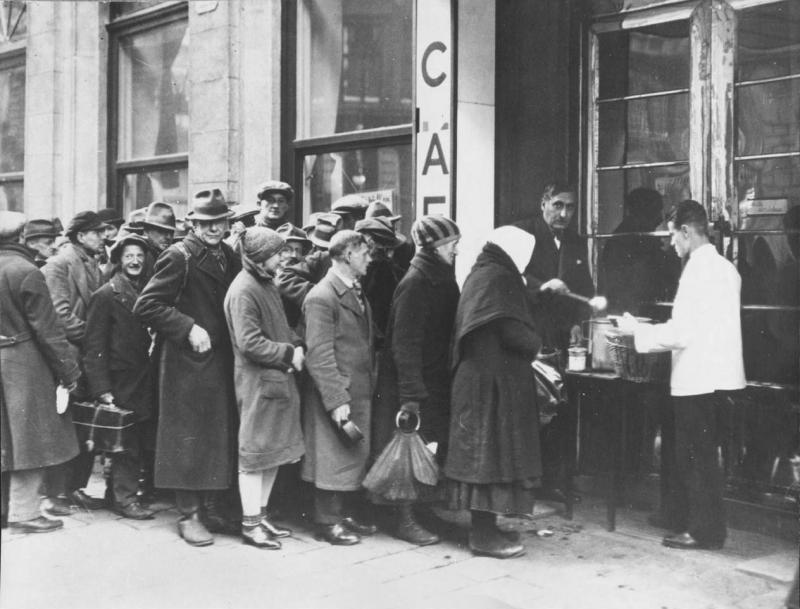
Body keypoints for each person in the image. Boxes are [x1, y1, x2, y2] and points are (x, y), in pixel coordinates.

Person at [617, 200, 745, 550]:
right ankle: (704, 525)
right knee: (706, 457)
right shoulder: (725, 269)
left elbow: (681, 334)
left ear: (687, 232)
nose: (671, 244)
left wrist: (636, 331)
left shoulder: (696, 272)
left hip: (697, 379)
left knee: (695, 459)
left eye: (673, 236)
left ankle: (704, 532)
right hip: (722, 378)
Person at [134, 188, 242, 547]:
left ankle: (210, 508)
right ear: (193, 223)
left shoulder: (228, 254)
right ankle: (189, 514)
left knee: (215, 435)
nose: (214, 228)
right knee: (188, 438)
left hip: (219, 360)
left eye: (220, 221)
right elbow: (147, 305)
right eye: (206, 222)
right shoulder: (178, 256)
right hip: (186, 363)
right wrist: (187, 327)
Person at [445, 225, 542, 559]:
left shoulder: (485, 272)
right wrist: (536, 343)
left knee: (485, 456)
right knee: (488, 458)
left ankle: (485, 528)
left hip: (480, 381)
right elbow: (510, 328)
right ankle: (483, 536)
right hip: (489, 386)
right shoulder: (499, 278)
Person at [372, 215, 461, 546]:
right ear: (433, 247)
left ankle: (423, 510)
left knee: (428, 449)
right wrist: (410, 397)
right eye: (451, 244)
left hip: (432, 381)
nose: (456, 250)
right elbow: (404, 345)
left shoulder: (439, 277)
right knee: (407, 452)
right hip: (411, 387)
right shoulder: (416, 282)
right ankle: (403, 518)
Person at [514, 181, 598, 503]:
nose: (564, 213)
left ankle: (555, 480)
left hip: (562, 338)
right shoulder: (523, 233)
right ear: (544, 202)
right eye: (558, 205)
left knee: (561, 407)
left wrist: (579, 321)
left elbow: (584, 287)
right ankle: (528, 482)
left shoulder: (575, 242)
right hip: (530, 335)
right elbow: (508, 275)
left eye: (571, 207)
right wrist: (542, 286)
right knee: (534, 408)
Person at [224, 227, 306, 549]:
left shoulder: (263, 282)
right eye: (277, 253)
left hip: (274, 380)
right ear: (260, 258)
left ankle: (260, 515)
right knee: (255, 455)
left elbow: (280, 328)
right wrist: (289, 353)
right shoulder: (245, 289)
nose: (283, 258)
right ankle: (250, 525)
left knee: (270, 453)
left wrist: (296, 344)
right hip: (259, 384)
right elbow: (249, 343)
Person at [0, 212, 81, 534]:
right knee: (30, 439)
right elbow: (48, 331)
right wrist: (69, 371)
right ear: (23, 239)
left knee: (6, 439)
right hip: (24, 364)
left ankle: (9, 511)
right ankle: (24, 514)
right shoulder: (27, 272)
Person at [301, 230, 376, 546]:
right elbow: (318, 353)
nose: (369, 260)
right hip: (337, 392)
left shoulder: (351, 290)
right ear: (348, 255)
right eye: (365, 254)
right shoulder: (322, 296)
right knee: (331, 456)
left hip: (355, 389)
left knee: (348, 453)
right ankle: (326, 521)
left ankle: (341, 514)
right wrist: (335, 399)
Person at [82, 234, 157, 520]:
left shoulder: (150, 290)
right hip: (121, 380)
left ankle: (118, 494)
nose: (135, 261)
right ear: (119, 260)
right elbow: (93, 347)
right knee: (127, 441)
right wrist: (102, 389)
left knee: (136, 438)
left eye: (139, 255)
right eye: (129, 256)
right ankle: (124, 499)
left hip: (144, 379)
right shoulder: (106, 295)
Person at [42, 210, 111, 513]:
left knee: (83, 427)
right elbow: (60, 317)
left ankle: (74, 488)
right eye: (97, 232)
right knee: (64, 426)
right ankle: (55, 493)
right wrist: (95, 337)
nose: (103, 236)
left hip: (85, 356)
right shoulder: (59, 265)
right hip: (68, 357)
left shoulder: (92, 262)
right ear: (81, 236)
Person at [598, 188, 678, 315]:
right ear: (646, 212)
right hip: (635, 311)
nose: (659, 218)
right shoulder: (636, 237)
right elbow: (656, 273)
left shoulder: (628, 234)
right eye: (657, 211)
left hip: (630, 309)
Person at [354, 216, 405, 344]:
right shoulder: (340, 265)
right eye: (384, 250)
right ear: (368, 243)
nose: (390, 255)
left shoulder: (388, 271)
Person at [139, 201, 177, 280]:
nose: (168, 237)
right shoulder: (140, 257)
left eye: (171, 232)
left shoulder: (170, 257)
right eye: (161, 231)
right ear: (147, 231)